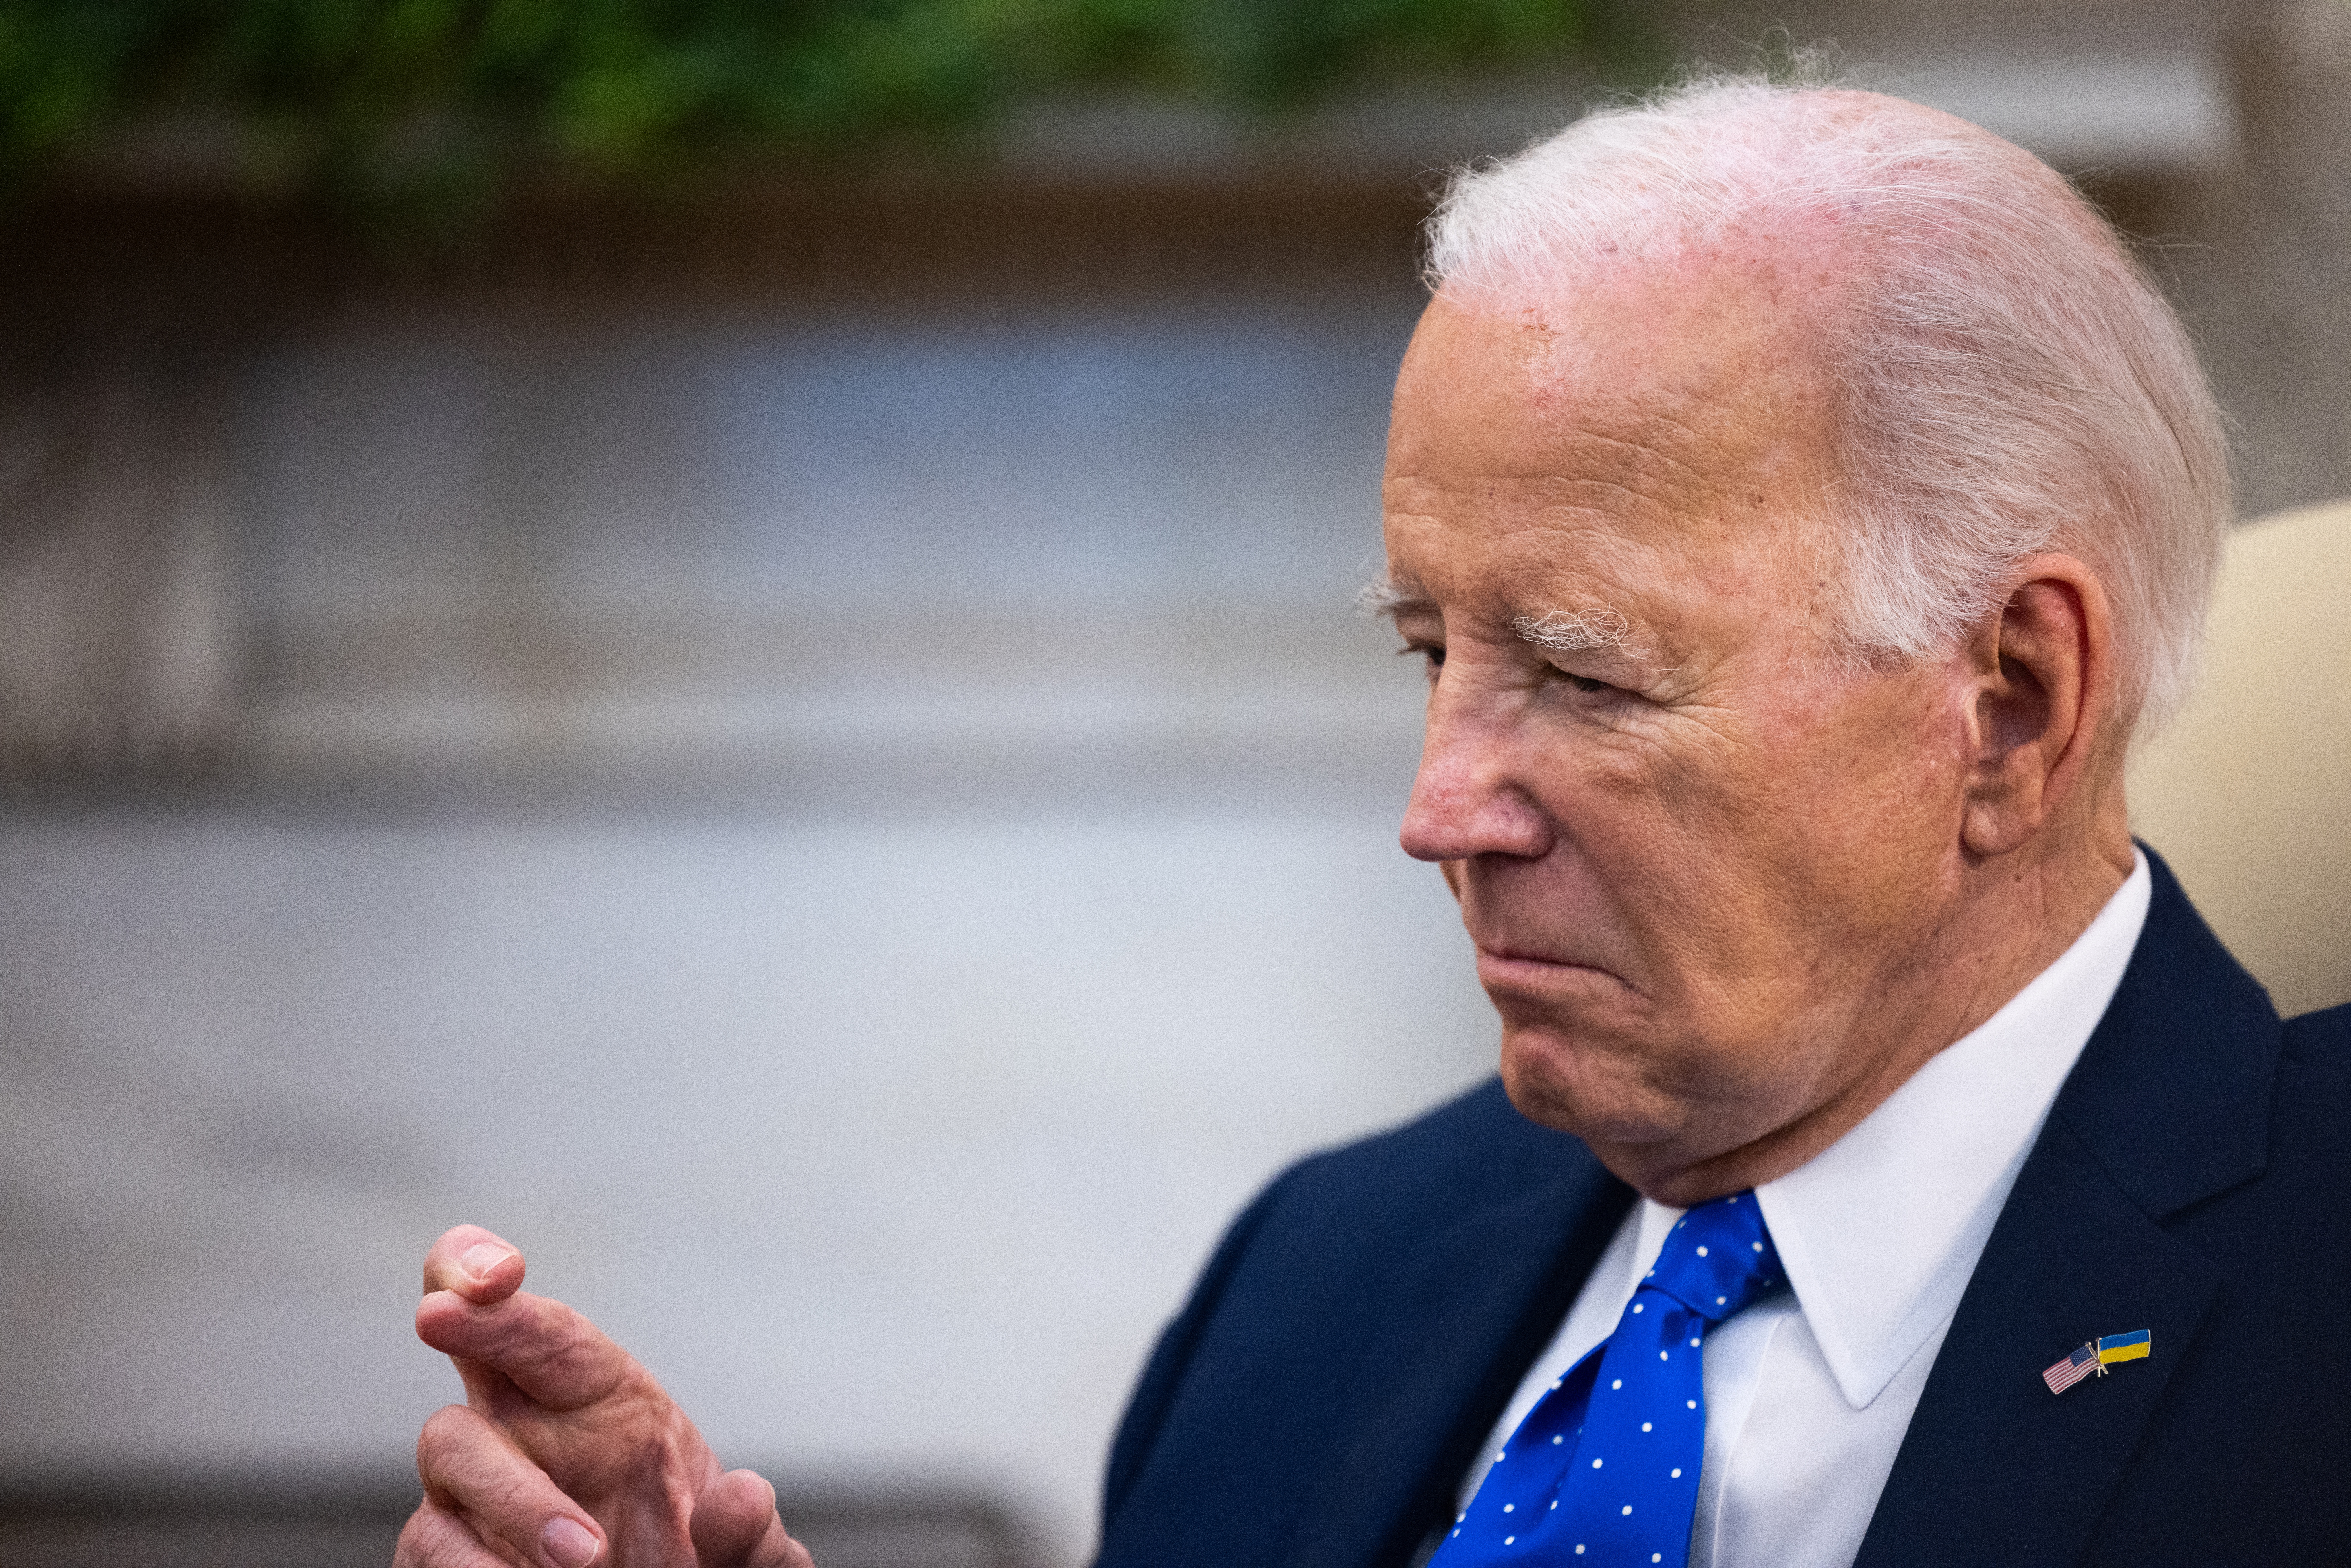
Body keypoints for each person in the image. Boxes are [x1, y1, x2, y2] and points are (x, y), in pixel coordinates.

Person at [392, 76, 2350, 1568]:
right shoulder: (1317, 1278)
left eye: (1584, 675)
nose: (1438, 811)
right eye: (1431, 649)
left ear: (2008, 699)